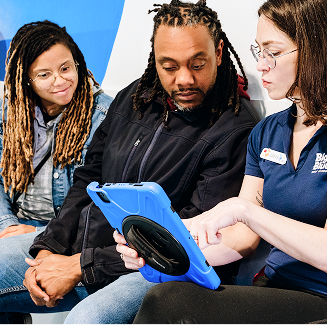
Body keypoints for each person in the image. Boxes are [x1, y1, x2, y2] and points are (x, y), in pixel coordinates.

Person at [0, 1, 258, 324]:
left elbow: (186, 239)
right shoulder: (133, 97)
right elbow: (87, 178)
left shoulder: (234, 128)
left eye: (197, 63)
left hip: (152, 271)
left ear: (219, 53)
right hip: (84, 250)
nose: (184, 79)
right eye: (169, 66)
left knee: (86, 320)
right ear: (155, 57)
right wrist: (48, 248)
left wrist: (80, 266)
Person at [132, 0, 327, 324]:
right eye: (258, 51)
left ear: (314, 51)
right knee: (166, 295)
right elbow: (242, 238)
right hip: (276, 289)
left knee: (167, 304)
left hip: (321, 298)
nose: (261, 65)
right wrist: (162, 254)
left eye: (273, 52)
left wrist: (244, 210)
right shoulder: (267, 132)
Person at [0, 20, 113, 325]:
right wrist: (7, 224)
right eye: (44, 75)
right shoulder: (12, 111)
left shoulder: (104, 115)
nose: (59, 80)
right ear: (27, 81)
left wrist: (44, 234)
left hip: (60, 236)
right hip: (12, 227)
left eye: (65, 68)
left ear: (77, 62)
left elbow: (92, 201)